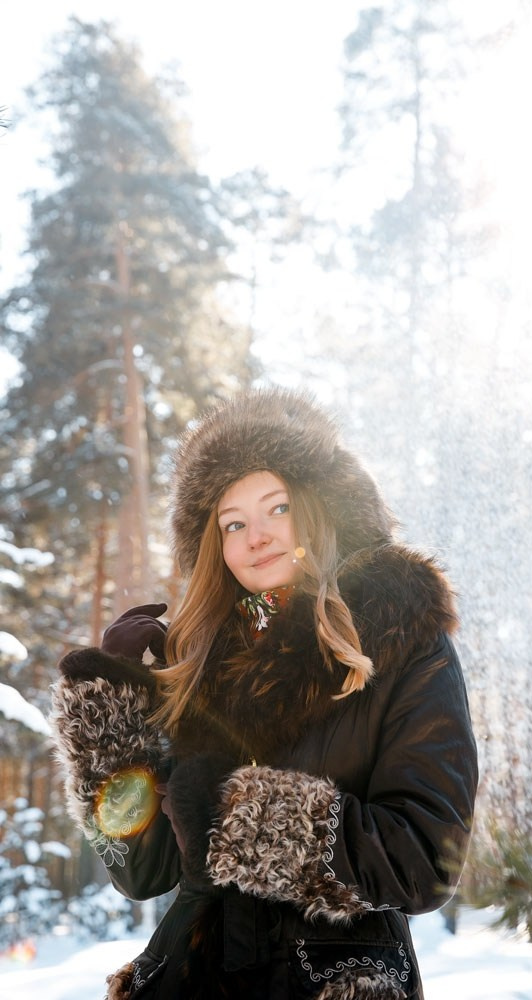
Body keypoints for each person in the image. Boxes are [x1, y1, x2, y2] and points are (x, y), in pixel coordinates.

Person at [50, 388, 478, 1000]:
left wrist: (238, 815)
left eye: (277, 507)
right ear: (216, 546)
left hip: (331, 980)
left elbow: (426, 860)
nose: (256, 536)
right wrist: (110, 711)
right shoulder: (201, 664)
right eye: (233, 523)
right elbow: (139, 873)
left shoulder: (402, 639)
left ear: (320, 506)